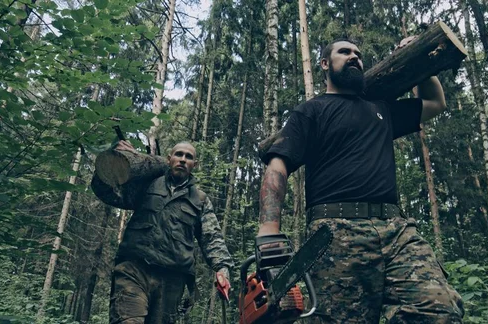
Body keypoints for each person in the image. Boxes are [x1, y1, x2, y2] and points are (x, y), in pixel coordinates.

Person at [256, 37, 464, 323]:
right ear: (325, 64)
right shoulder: (311, 111)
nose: (354, 56)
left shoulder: (382, 109)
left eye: (358, 53)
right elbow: (277, 163)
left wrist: (422, 63)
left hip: (397, 231)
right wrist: (269, 230)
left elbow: (436, 103)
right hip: (335, 233)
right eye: (345, 52)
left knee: (439, 310)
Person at [91, 141, 234, 324]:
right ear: (168, 159)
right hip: (134, 270)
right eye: (178, 154)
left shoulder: (200, 200)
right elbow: (108, 192)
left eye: (188, 157)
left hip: (172, 281)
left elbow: (212, 237)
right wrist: (114, 159)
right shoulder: (147, 184)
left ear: (194, 165)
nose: (182, 159)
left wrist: (222, 267)